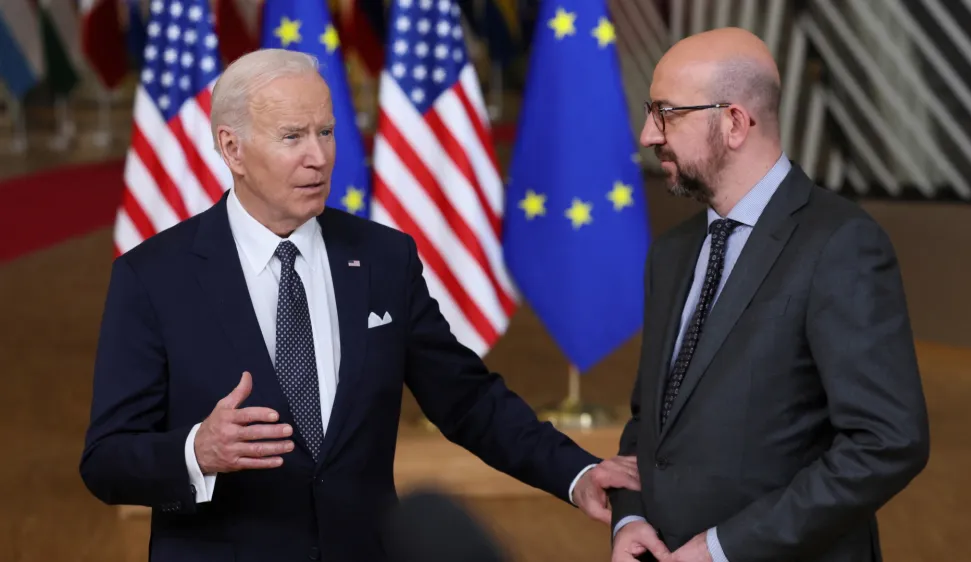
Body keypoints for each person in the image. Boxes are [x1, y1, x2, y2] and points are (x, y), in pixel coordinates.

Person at [79, 48, 638, 562]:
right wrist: (196, 452)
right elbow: (106, 460)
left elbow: (468, 400)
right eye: (292, 136)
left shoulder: (382, 259)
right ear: (232, 148)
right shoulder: (153, 277)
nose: (318, 157)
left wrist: (577, 472)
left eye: (326, 132)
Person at [608, 28, 930, 562]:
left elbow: (887, 442)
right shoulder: (670, 254)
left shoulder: (841, 244)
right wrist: (631, 517)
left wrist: (722, 549)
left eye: (666, 113)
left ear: (734, 122)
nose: (647, 134)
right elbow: (651, 422)